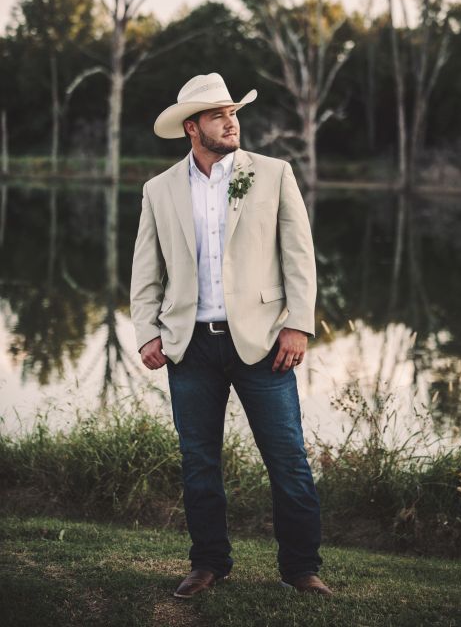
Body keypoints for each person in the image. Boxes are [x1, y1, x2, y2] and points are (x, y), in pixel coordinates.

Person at [130, 72, 332, 598]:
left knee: (287, 458)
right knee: (199, 462)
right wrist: (147, 332)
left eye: (234, 112)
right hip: (189, 347)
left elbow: (299, 257)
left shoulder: (273, 173)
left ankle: (301, 569)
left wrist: (298, 324)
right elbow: (145, 271)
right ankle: (208, 564)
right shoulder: (159, 189)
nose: (232, 121)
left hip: (264, 342)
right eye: (220, 114)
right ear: (192, 127)